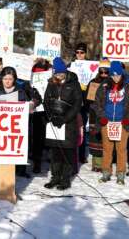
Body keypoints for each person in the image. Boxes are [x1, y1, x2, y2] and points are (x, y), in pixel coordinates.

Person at [94, 61, 129, 185]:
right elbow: (97, 103)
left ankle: (120, 174)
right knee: (107, 149)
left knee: (121, 149)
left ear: (122, 74)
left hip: (122, 123)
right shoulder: (104, 86)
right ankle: (106, 173)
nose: (115, 77)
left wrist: (128, 118)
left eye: (118, 75)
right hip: (107, 122)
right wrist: (102, 116)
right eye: (113, 75)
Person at [43, 57, 82, 190]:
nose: (59, 76)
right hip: (54, 121)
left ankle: (65, 179)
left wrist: (64, 119)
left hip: (68, 122)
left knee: (67, 151)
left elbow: (77, 104)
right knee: (55, 152)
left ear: (65, 72)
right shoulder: (51, 83)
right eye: (57, 74)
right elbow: (46, 101)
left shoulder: (73, 83)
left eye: (61, 73)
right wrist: (51, 117)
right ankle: (55, 177)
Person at [0, 66, 30, 177]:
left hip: (15, 127)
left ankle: (20, 170)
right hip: (0, 127)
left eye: (10, 79)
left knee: (17, 146)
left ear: (14, 79)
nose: (7, 81)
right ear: (2, 79)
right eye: (5, 78)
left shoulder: (20, 91)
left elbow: (26, 106)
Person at [87, 60, 110, 172]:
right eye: (102, 72)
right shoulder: (93, 82)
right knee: (94, 138)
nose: (104, 75)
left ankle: (104, 163)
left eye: (106, 72)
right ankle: (95, 164)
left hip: (107, 114)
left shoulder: (112, 83)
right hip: (94, 114)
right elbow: (87, 99)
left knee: (105, 139)